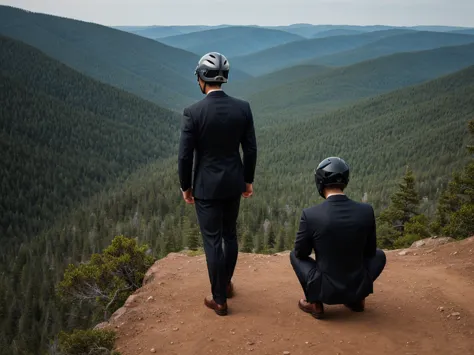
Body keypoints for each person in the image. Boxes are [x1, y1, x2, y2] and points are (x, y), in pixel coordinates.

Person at [178, 52, 257, 316]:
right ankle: (225, 283)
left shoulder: (193, 113)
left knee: (212, 241)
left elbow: (185, 156)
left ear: (201, 78)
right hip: (233, 183)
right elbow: (251, 150)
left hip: (205, 187)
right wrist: (247, 181)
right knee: (229, 235)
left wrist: (185, 187)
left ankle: (219, 298)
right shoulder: (243, 108)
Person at [290, 157, 386, 319]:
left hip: (325, 287)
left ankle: (315, 302)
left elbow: (301, 252)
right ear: (345, 181)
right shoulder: (366, 211)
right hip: (357, 282)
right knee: (379, 255)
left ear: (320, 181)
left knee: (294, 255)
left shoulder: (311, 214)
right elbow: (370, 252)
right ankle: (356, 299)